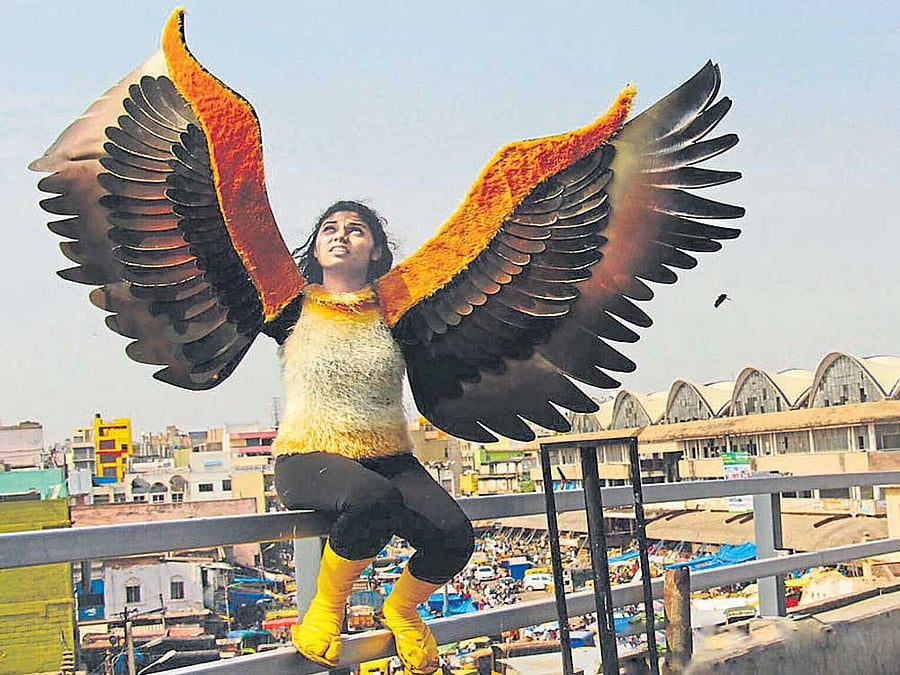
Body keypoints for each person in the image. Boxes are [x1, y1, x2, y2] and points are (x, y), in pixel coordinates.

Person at [272, 200, 475, 674]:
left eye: (356, 230)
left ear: (377, 250)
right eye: (330, 229)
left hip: (386, 456)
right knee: (371, 498)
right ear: (317, 247)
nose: (341, 236)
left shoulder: (398, 314)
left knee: (453, 536)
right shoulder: (288, 306)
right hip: (308, 456)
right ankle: (325, 609)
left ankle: (401, 609)